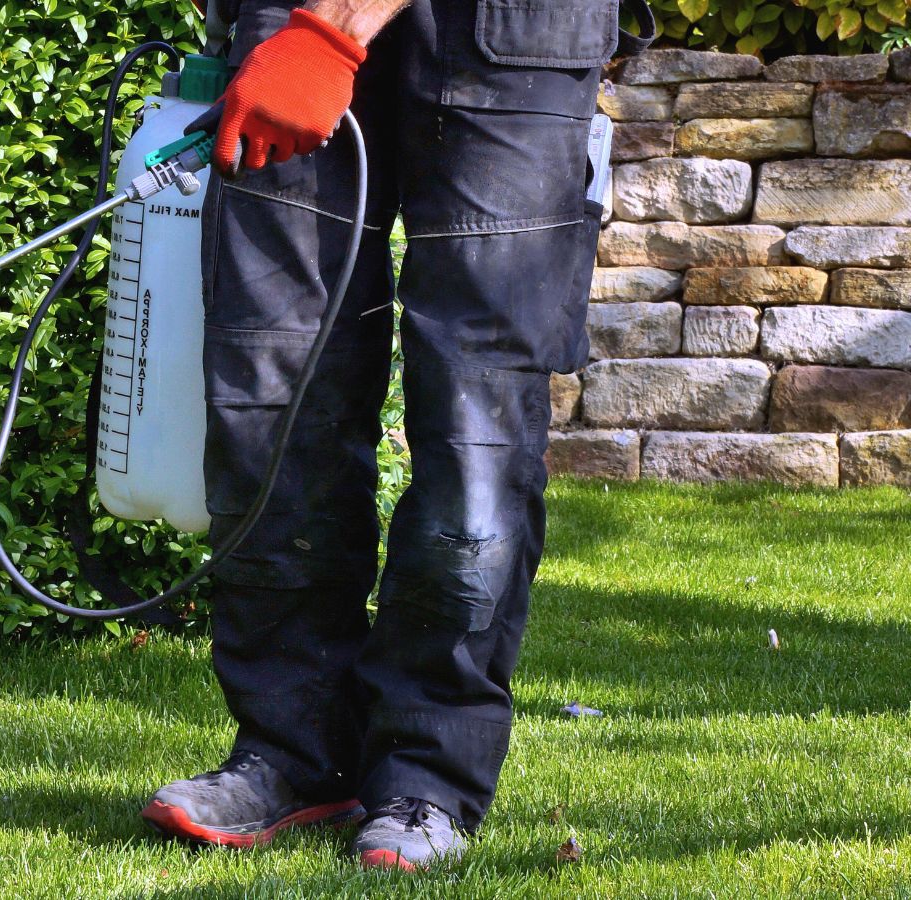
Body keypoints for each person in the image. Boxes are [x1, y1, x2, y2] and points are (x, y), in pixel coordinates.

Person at [138, 0, 647, 871]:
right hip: (290, 25)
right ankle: (291, 752)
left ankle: (427, 775)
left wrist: (333, 29)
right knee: (273, 395)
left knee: (476, 425)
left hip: (508, 35)